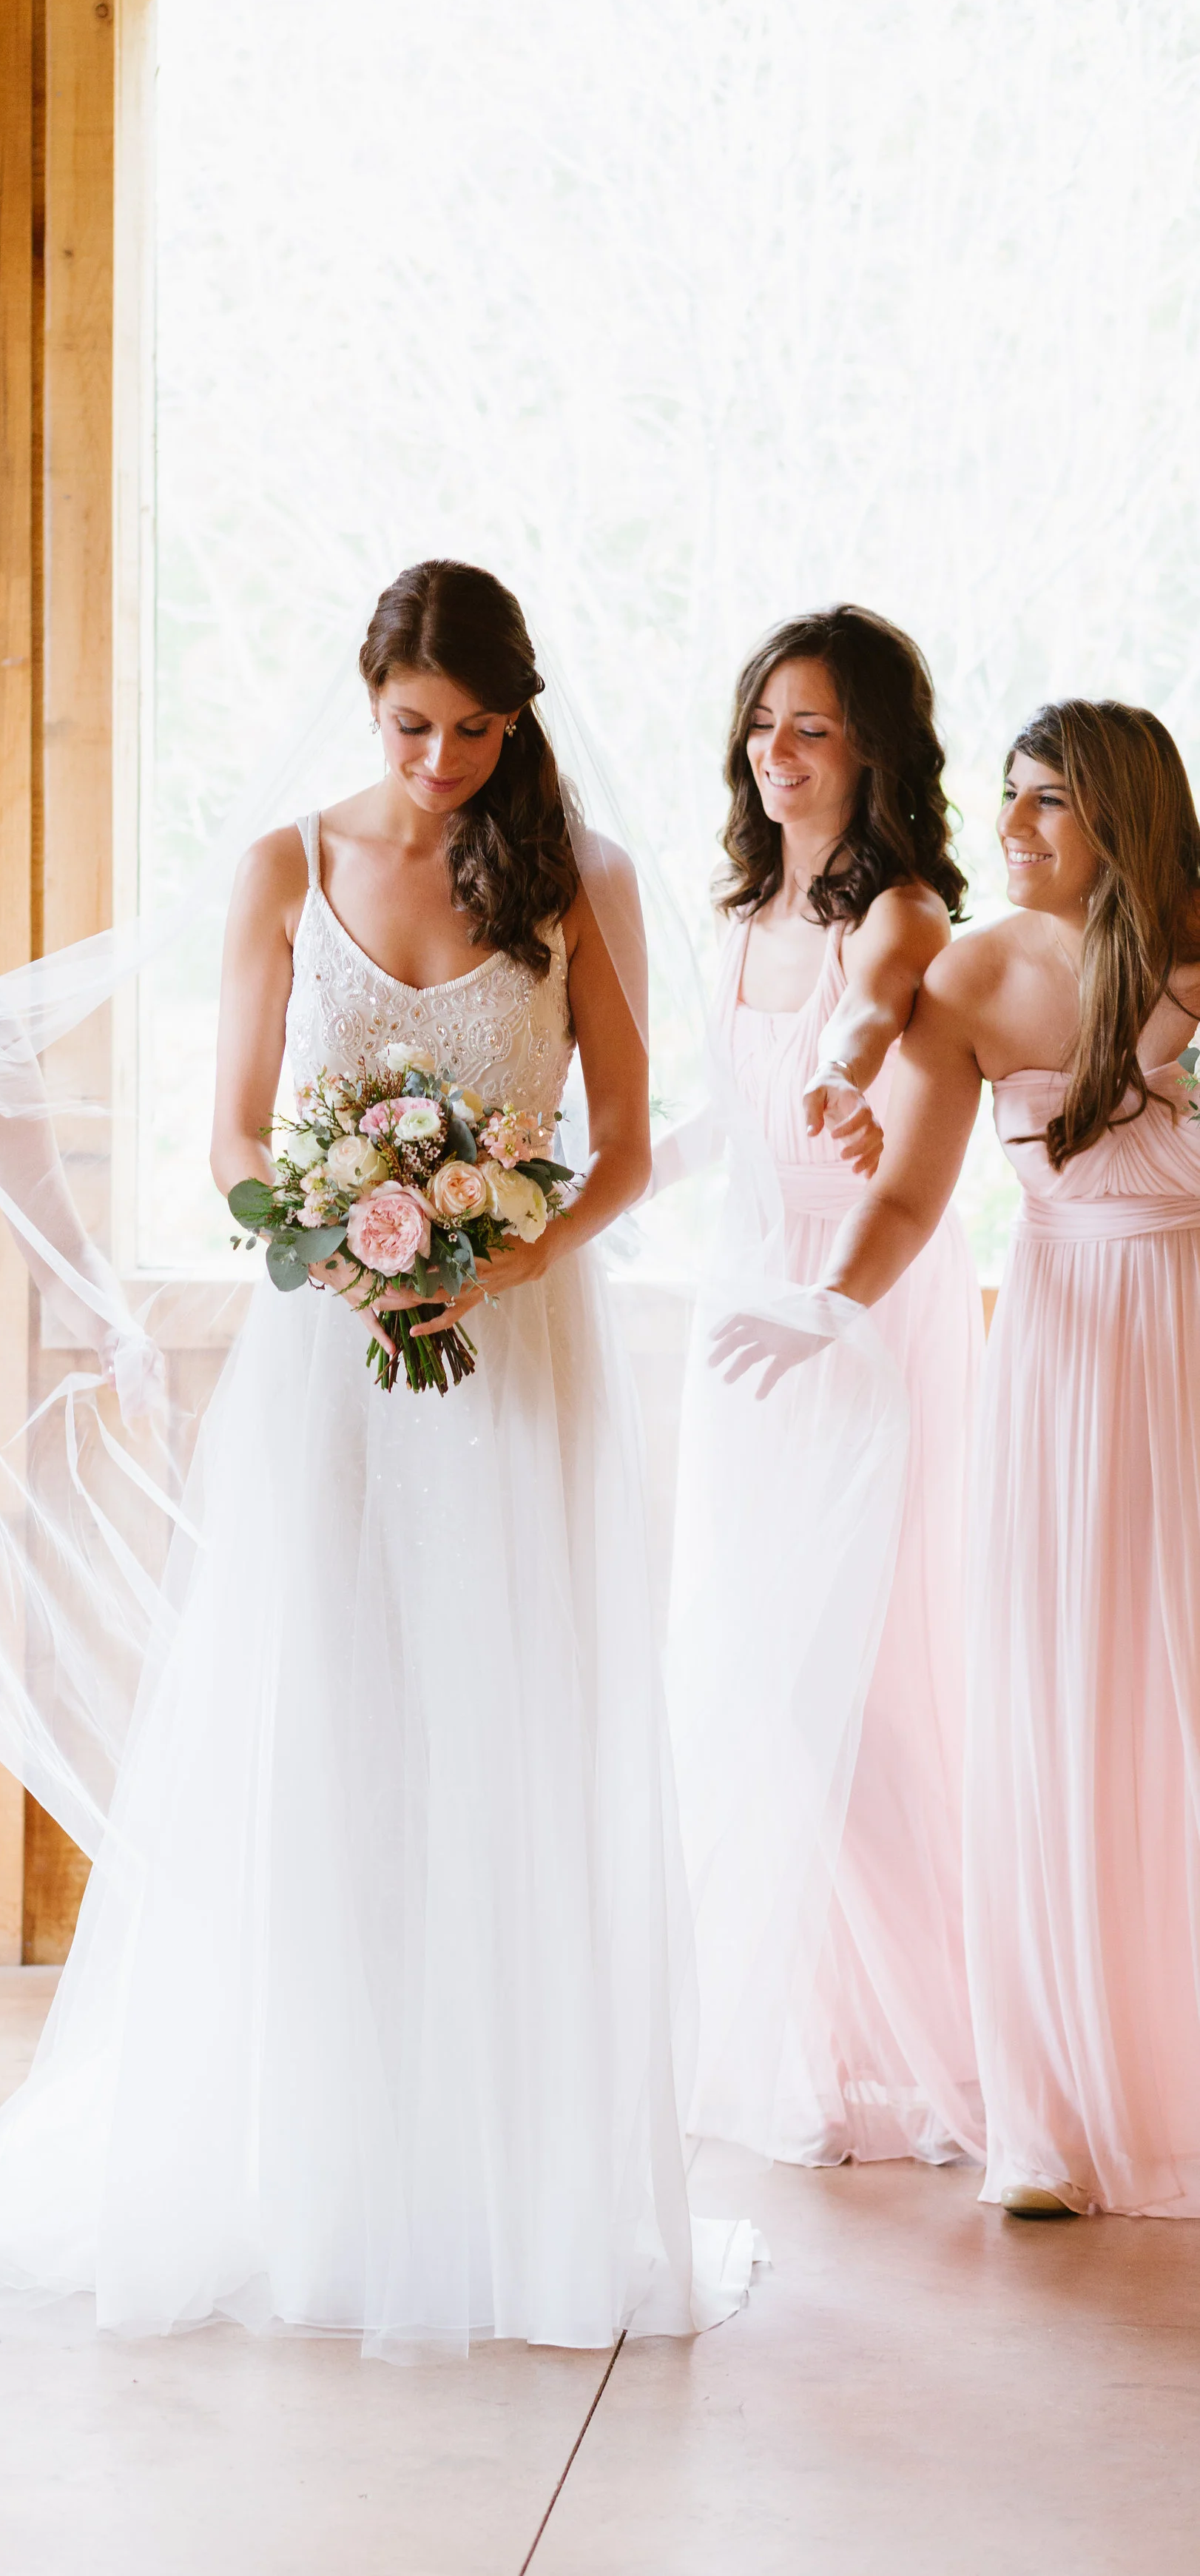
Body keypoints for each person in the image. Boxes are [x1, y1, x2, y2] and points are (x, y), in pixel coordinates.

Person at [0, 559, 755, 2355]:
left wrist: (487, 1260)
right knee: (332, 1730)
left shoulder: (589, 877)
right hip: (328, 1358)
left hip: (515, 1351)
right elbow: (233, 1133)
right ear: (368, 703)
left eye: (476, 729)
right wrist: (352, 1250)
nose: (440, 760)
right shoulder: (284, 863)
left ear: (522, 717)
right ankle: (325, 2171)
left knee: (505, 1731)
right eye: (412, 725)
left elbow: (633, 1148)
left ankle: (506, 2190)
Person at [715, 698, 1200, 2220]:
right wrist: (823, 1303)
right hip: (1064, 1353)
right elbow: (916, 1190)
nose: (1013, 828)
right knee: (1063, 1692)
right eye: (1007, 797)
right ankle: (1054, 2111)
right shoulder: (978, 968)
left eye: (1047, 801)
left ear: (1124, 810)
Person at [662, 608, 984, 2168]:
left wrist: (841, 1080)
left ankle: (954, 2034)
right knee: (752, 1678)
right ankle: (818, 2033)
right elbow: (715, 1120)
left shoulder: (903, 910)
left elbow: (861, 1023)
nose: (776, 757)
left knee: (853, 1683)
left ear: (873, 752)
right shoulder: (734, 914)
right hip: (741, 1326)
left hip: (851, 1314)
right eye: (764, 725)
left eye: (813, 732)